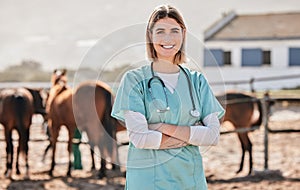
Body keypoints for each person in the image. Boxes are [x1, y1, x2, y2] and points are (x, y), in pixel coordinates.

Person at [111, 4, 225, 190]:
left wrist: (160, 127)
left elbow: (212, 135)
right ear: (150, 36)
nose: (168, 38)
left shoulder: (197, 81)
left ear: (183, 34)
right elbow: (140, 139)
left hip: (189, 179)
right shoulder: (134, 81)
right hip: (148, 181)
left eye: (174, 31)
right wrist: (191, 134)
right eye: (160, 31)